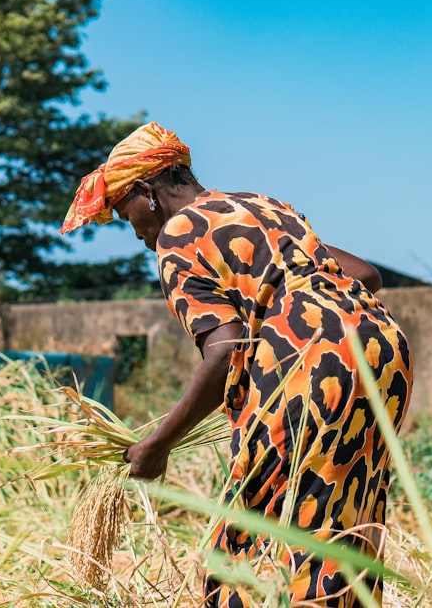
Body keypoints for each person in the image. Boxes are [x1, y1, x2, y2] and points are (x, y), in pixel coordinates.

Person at [60, 122, 413, 608]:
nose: (138, 232)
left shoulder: (177, 236)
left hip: (309, 363)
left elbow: (226, 350)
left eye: (127, 214)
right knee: (342, 519)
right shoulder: (262, 206)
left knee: (246, 541)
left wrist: (159, 443)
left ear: (149, 193)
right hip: (381, 346)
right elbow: (365, 274)